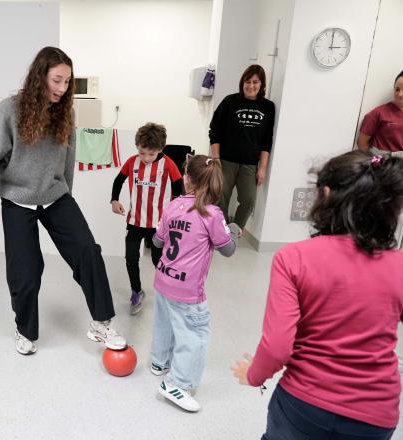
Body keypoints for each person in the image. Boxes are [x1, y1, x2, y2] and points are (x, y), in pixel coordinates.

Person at [231, 151, 403, 439]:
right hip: (376, 413)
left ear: (325, 194)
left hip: (304, 406)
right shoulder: (399, 264)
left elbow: (276, 347)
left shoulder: (294, 258)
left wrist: (253, 375)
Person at [0, 46, 126, 355]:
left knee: (88, 251)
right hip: (18, 199)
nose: (62, 88)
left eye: (67, 82)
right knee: (25, 270)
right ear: (39, 76)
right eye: (57, 80)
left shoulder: (65, 112)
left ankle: (101, 322)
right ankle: (24, 330)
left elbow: (69, 157)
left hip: (55, 196)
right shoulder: (9, 111)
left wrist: (66, 193)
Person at [150, 154, 238, 412]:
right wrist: (231, 228)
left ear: (186, 179)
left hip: (163, 278)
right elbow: (228, 249)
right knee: (195, 335)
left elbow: (157, 242)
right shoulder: (212, 214)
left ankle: (159, 362)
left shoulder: (172, 205)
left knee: (164, 322)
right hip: (187, 289)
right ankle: (177, 383)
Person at [110, 122, 182, 315]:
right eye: (142, 153)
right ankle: (136, 291)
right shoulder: (132, 162)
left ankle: (165, 293)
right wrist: (114, 200)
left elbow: (178, 185)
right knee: (131, 258)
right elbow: (119, 180)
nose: (146, 158)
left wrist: (174, 209)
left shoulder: (168, 164)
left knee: (158, 260)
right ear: (138, 148)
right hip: (135, 222)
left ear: (160, 149)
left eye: (152, 154)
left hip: (158, 224)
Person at [209, 64, 276, 235]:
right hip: (225, 160)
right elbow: (214, 131)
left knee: (248, 200)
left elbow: (267, 140)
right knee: (219, 197)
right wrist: (216, 159)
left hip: (250, 163)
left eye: (255, 82)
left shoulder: (268, 107)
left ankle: (235, 230)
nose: (251, 86)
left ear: (261, 85)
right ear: (242, 82)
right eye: (248, 81)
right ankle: (221, 231)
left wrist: (262, 168)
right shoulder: (229, 101)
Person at [357, 70, 403, 156]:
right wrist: (375, 162)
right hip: (382, 162)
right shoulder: (378, 113)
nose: (400, 94)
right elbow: (361, 143)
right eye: (397, 89)